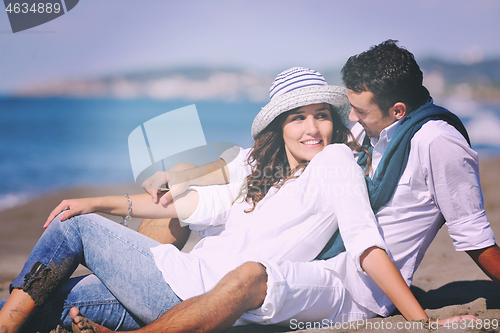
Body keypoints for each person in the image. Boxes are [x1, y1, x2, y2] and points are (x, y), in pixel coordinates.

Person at [69, 40, 499, 332]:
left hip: (351, 280)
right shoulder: (378, 133)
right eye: (343, 109)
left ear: (396, 109)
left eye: (354, 111)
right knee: (94, 281)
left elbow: (473, 236)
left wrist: (416, 318)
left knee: (241, 275)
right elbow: (236, 164)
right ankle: (146, 305)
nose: (350, 119)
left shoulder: (435, 142)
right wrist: (179, 176)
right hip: (330, 262)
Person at [0, 67, 437, 332]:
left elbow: (366, 242)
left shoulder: (336, 161)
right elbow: (191, 206)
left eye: (322, 115)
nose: (312, 128)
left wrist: (419, 320)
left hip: (195, 293)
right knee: (56, 294)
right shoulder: (257, 170)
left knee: (72, 227)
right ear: (279, 127)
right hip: (176, 282)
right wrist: (101, 201)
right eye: (298, 118)